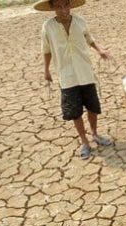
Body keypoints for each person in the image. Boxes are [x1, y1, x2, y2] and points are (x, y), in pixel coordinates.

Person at [37, 0, 112, 159]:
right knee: (75, 111)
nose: (63, 10)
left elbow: (90, 39)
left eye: (66, 5)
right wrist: (46, 70)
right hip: (66, 76)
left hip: (85, 72)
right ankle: (84, 142)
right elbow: (46, 50)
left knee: (92, 107)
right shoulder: (48, 27)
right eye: (58, 6)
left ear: (70, 5)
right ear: (52, 7)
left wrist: (100, 50)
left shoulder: (80, 21)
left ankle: (95, 134)